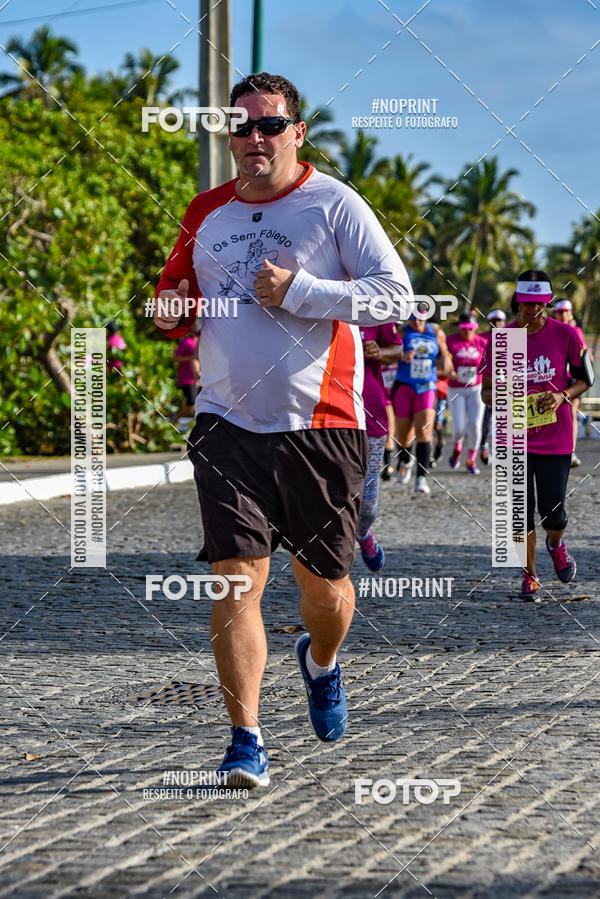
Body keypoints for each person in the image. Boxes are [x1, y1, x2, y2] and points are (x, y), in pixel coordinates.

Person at [153, 72, 413, 788]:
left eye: (270, 125)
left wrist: (303, 291)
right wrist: (167, 308)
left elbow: (396, 294)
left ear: (298, 132)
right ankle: (246, 738)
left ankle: (321, 662)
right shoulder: (205, 212)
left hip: (322, 425)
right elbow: (168, 299)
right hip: (226, 420)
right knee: (235, 580)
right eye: (242, 127)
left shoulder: (335, 204)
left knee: (324, 590)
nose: (255, 138)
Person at [482, 270, 594, 599]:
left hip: (556, 435)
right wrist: (502, 394)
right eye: (526, 304)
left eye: (539, 304)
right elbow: (485, 392)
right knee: (519, 510)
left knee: (553, 512)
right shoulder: (501, 338)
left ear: (547, 302)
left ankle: (556, 544)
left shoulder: (567, 334)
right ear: (517, 301)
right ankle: (529, 575)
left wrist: (561, 395)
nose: (532, 311)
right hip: (512, 436)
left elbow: (586, 378)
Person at [357, 324, 403, 569]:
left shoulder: (373, 308)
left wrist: (380, 352)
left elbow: (397, 349)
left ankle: (363, 533)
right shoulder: (320, 301)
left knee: (367, 502)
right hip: (328, 413)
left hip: (370, 411)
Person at [391, 307, 451, 495]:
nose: (416, 322)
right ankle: (406, 459)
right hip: (403, 386)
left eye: (420, 319)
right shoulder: (402, 332)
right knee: (403, 436)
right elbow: (390, 353)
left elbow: (445, 355)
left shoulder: (437, 332)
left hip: (426, 387)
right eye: (413, 319)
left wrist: (446, 364)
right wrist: (401, 355)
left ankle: (421, 478)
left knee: (424, 431)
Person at [551, 298, 593, 468]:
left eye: (565, 312)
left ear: (570, 313)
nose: (562, 315)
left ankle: (571, 452)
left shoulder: (575, 330)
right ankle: (554, 450)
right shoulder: (552, 331)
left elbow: (585, 354)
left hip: (573, 379)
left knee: (571, 414)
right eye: (559, 312)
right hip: (556, 378)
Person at [446, 311, 488, 474]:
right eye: (464, 328)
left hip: (475, 388)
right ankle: (457, 448)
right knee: (458, 427)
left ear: (475, 328)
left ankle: (471, 459)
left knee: (475, 425)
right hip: (456, 388)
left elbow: (490, 363)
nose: (467, 332)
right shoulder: (450, 341)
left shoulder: (482, 342)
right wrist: (448, 371)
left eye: (470, 328)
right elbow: (443, 361)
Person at [479, 308, 507, 464]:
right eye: (494, 321)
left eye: (499, 321)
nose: (496, 323)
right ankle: (484, 444)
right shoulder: (481, 338)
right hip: (488, 382)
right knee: (487, 418)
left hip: (506, 382)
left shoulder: (510, 336)